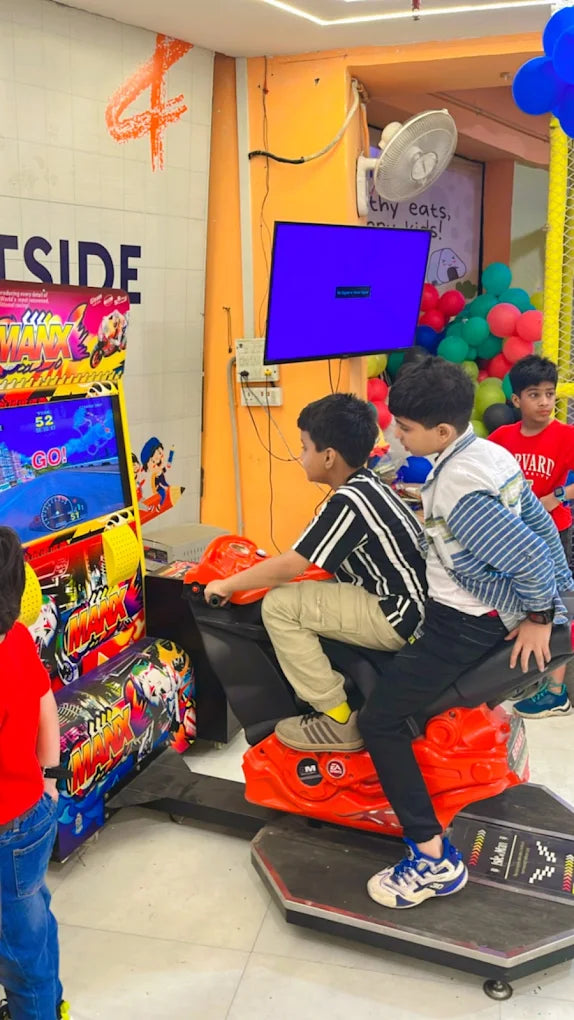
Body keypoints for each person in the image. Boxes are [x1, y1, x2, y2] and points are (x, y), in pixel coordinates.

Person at [361, 357, 573, 910]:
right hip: (471, 612)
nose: (398, 437)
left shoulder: (459, 486)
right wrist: (563, 591)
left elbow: (526, 554)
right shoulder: (488, 453)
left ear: (441, 431)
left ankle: (431, 858)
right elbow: (539, 524)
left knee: (379, 720)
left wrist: (542, 617)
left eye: (405, 428)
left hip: (463, 624)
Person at [205, 392, 427, 752]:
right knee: (300, 595)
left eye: (304, 447)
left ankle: (337, 717)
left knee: (279, 605)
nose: (300, 456)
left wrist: (226, 584)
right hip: (409, 606)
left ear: (328, 456)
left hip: (395, 614)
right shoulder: (369, 486)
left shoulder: (349, 502)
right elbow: (305, 556)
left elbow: (292, 564)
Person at [0, 528, 70, 1020]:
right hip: (33, 814)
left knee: (20, 954)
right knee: (33, 925)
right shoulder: (18, 637)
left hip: (7, 828)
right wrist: (50, 780)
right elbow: (46, 703)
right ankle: (51, 1007)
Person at [489, 354, 574, 719]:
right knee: (517, 607)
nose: (544, 402)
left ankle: (555, 692)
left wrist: (557, 496)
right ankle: (525, 675)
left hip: (552, 535)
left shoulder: (566, 436)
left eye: (549, 394)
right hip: (511, 539)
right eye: (534, 394)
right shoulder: (501, 438)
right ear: (516, 399)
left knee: (556, 608)